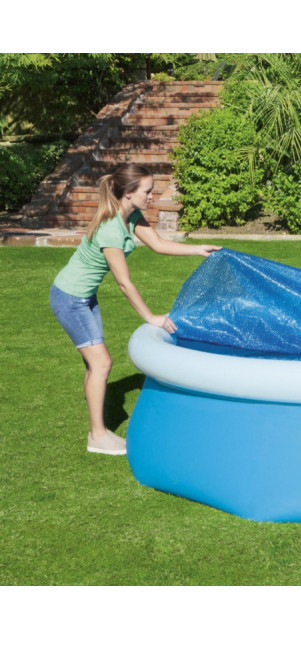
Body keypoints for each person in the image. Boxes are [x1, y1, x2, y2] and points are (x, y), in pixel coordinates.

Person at [49, 164, 221, 455]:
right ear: (128, 193)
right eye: (147, 191)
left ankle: (97, 423)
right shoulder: (110, 229)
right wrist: (151, 317)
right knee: (101, 364)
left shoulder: (131, 216)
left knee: (94, 365)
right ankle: (98, 436)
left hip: (84, 296)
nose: (152, 196)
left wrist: (198, 249)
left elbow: (159, 245)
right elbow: (124, 283)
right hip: (70, 298)